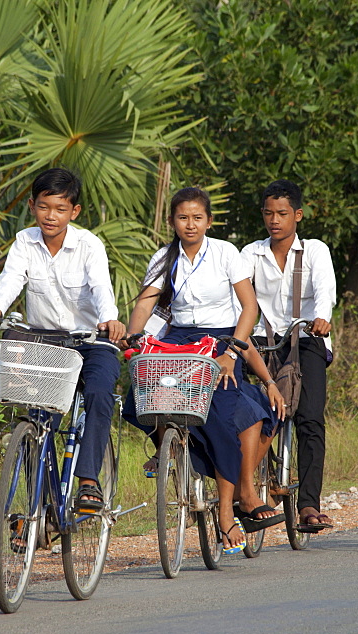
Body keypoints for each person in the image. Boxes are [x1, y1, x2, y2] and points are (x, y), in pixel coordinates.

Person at [124, 187, 286, 555]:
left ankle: (228, 511)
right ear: (172, 222)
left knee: (224, 410)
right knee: (146, 391)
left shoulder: (226, 253)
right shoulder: (164, 258)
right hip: (178, 340)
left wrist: (231, 351)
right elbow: (146, 304)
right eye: (183, 218)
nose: (190, 224)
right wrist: (134, 339)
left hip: (219, 341)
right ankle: (170, 449)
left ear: (209, 221)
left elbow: (249, 308)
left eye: (198, 218)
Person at [0, 167, 125, 513]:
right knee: (36, 422)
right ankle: (38, 510)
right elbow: (12, 279)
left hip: (91, 341)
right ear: (32, 205)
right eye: (44, 207)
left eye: (59, 209)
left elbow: (101, 286)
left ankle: (88, 482)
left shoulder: (89, 245)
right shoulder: (25, 241)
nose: (50, 216)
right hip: (45, 344)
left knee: (100, 394)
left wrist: (109, 318)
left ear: (75, 212)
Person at [241, 179, 337, 533]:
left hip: (308, 336)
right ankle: (247, 487)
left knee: (310, 418)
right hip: (263, 340)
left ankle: (309, 503)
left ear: (297, 215)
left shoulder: (314, 250)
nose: (274, 220)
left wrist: (322, 317)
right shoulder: (251, 253)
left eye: (282, 213)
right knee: (252, 412)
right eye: (268, 213)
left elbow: (325, 289)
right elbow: (237, 290)